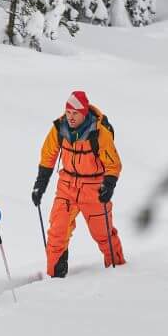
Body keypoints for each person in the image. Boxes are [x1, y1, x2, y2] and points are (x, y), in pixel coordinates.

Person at [31, 89, 124, 277]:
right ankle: (55, 278)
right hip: (67, 186)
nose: (71, 117)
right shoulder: (59, 128)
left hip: (94, 188)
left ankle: (119, 272)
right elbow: (48, 155)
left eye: (75, 113)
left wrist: (109, 184)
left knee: (104, 235)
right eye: (68, 113)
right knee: (57, 233)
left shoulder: (99, 133)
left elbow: (113, 163)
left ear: (84, 113)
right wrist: (40, 185)